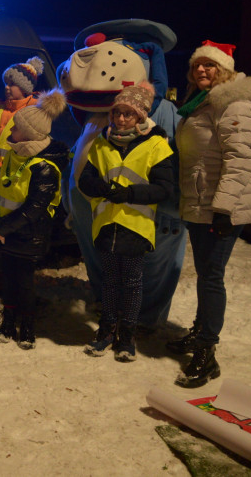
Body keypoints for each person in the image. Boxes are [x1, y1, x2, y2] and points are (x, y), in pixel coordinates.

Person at [61, 20, 188, 331]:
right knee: (108, 268)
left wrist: (174, 208)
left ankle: (140, 322)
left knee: (145, 273)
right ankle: (111, 311)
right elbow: (82, 158)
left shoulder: (161, 114)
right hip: (99, 216)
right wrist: (71, 204)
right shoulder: (99, 117)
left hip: (144, 218)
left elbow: (172, 165)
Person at [170, 40, 251, 387]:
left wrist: (224, 210)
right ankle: (199, 333)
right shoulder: (200, 103)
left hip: (220, 207)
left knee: (211, 277)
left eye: (209, 65)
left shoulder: (234, 103)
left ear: (224, 69)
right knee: (205, 275)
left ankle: (207, 354)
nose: (201, 71)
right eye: (197, 65)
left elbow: (239, 161)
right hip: (201, 202)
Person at [78, 83, 174, 361]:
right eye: (117, 113)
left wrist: (129, 193)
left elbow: (164, 188)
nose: (121, 119)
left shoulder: (156, 145)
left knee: (131, 283)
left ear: (140, 116)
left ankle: (126, 337)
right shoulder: (102, 142)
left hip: (135, 226)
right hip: (107, 225)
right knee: (109, 281)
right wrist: (103, 188)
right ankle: (106, 332)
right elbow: (86, 179)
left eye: (128, 114)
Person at [0, 88, 69, 350]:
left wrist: (2, 227)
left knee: (24, 282)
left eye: (15, 128)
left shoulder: (45, 166)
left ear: (29, 133)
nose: (9, 132)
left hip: (30, 233)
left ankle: (28, 328)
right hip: (6, 231)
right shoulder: (15, 153)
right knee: (8, 280)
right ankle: (8, 324)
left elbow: (35, 207)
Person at [0, 55, 43, 296]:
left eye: (13, 83)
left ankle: (7, 278)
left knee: (11, 228)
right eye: (6, 83)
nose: (7, 87)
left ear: (26, 88)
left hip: (16, 178)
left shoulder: (34, 112)